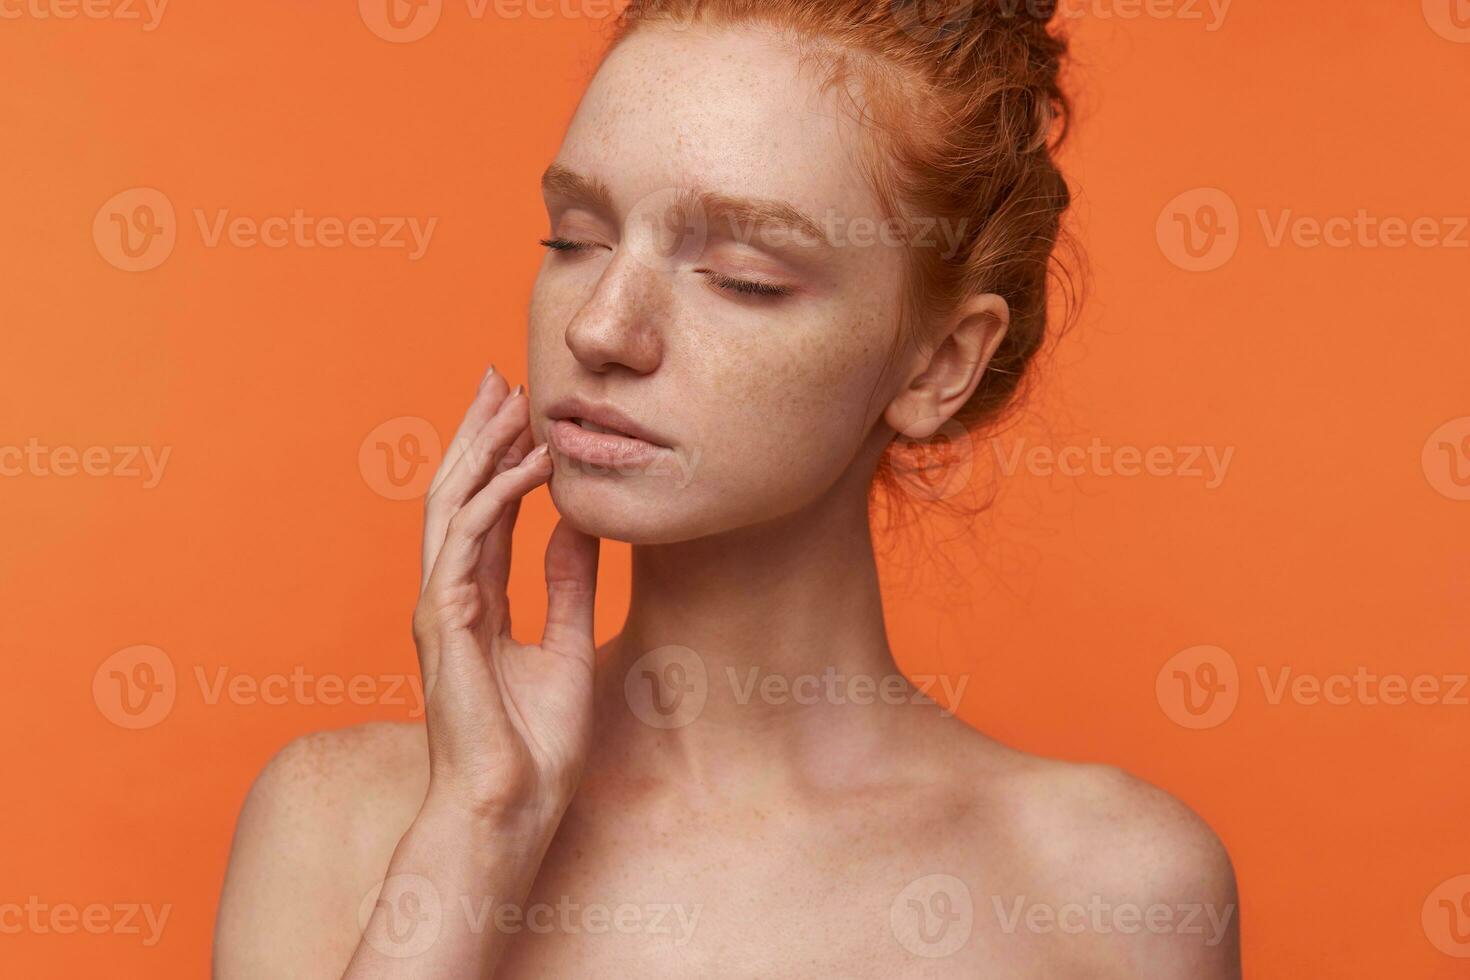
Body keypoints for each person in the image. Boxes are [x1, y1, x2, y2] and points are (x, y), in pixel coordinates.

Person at [214, 2, 1241, 976]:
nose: (601, 327)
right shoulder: (341, 823)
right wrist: (479, 828)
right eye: (575, 238)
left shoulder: (1111, 890)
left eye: (743, 275)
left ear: (938, 365)